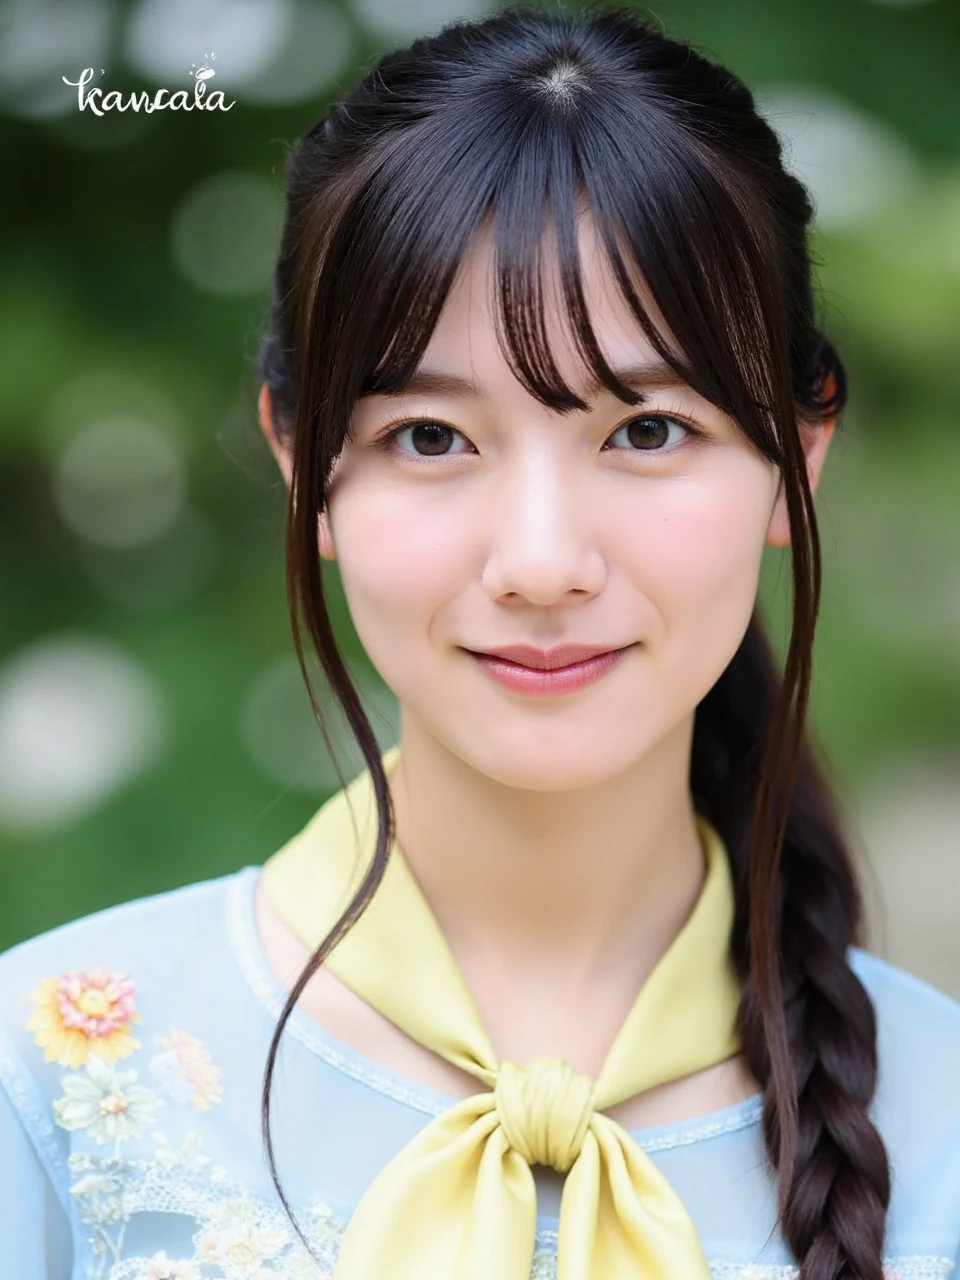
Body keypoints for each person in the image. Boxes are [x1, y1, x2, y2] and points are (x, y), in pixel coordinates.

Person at [1, 5, 958, 1278]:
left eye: (649, 430)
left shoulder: (940, 1122)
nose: (543, 563)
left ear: (799, 456)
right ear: (304, 462)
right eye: (432, 438)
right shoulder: (50, 1075)